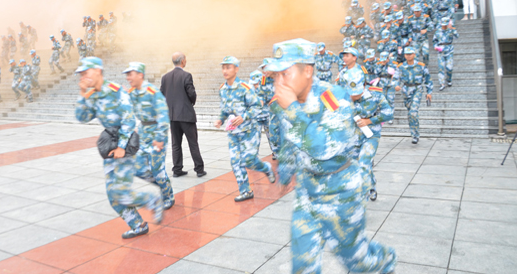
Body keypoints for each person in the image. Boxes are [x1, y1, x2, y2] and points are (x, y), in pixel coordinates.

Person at [265, 39, 397, 274]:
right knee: (302, 265)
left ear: (308, 71)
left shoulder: (333, 96)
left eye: (285, 73)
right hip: (307, 192)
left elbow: (324, 148)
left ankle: (383, 261)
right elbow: (289, 140)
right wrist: (285, 172)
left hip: (341, 192)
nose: (279, 82)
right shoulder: (284, 104)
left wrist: (294, 109)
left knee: (358, 262)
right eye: (276, 76)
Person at [74, 57, 163, 239]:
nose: (83, 76)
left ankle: (151, 199)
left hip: (124, 143)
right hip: (110, 147)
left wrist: (122, 147)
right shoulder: (92, 95)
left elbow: (129, 120)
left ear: (98, 71)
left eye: (86, 72)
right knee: (112, 196)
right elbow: (82, 117)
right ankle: (138, 225)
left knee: (121, 193)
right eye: (81, 74)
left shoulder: (115, 91)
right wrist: (82, 95)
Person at [214, 56, 275, 202]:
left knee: (248, 160)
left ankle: (266, 168)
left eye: (228, 67)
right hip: (233, 132)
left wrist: (244, 116)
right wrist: (220, 119)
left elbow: (257, 106)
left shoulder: (245, 88)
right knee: (235, 162)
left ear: (236, 69)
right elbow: (225, 110)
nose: (225, 70)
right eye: (223, 67)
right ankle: (245, 191)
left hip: (249, 131)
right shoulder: (222, 89)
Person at [123, 62, 174, 209]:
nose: (128, 78)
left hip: (157, 134)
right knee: (137, 168)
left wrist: (159, 139)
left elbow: (163, 116)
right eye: (127, 75)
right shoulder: (133, 93)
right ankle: (162, 184)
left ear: (140, 75)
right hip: (144, 133)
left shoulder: (153, 92)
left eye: (130, 74)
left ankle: (168, 195)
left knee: (157, 170)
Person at [342, 67, 393, 202]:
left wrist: (369, 120)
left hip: (371, 135)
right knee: (356, 166)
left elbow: (389, 113)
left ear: (364, 85)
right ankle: (371, 186)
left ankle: (360, 203)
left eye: (356, 93)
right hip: (352, 137)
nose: (353, 96)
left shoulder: (375, 94)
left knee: (363, 163)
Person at [160, 52, 205, 177]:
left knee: (176, 144)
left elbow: (161, 96)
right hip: (186, 115)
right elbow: (192, 93)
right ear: (183, 61)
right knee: (193, 143)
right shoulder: (186, 75)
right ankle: (199, 170)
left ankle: (177, 170)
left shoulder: (165, 77)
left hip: (172, 117)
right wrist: (191, 103)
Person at [393, 47, 433, 144]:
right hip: (406, 90)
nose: (408, 56)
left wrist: (429, 92)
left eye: (410, 54)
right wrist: (396, 85)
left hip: (417, 89)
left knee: (413, 112)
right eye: (406, 54)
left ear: (414, 54)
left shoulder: (421, 66)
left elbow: (428, 79)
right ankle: (414, 131)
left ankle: (415, 135)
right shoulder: (400, 66)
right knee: (410, 113)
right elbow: (395, 78)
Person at [433, 17, 459, 91]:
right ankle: (442, 83)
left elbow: (457, 36)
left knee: (449, 67)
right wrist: (435, 46)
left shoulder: (451, 30)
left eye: (445, 24)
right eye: (443, 24)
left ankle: (449, 79)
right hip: (440, 51)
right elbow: (434, 41)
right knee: (441, 67)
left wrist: (452, 28)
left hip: (449, 50)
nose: (444, 26)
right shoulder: (438, 31)